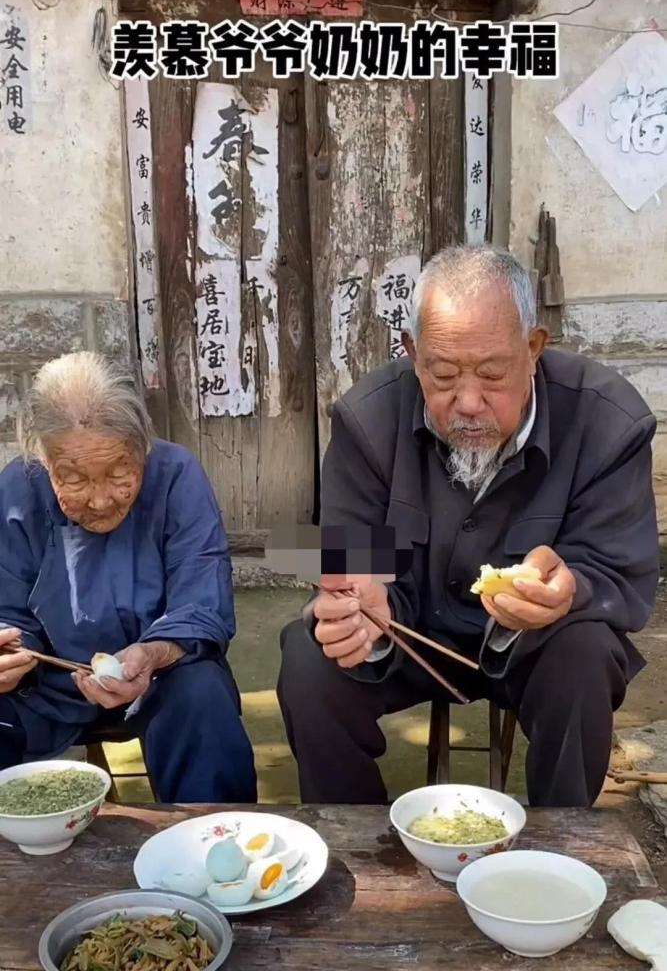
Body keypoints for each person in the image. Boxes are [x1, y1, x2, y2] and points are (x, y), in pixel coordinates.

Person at [278, 245, 660, 808]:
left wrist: (570, 587)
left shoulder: (608, 421)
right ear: (412, 354)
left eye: (492, 373)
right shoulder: (366, 420)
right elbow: (344, 561)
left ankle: (565, 852)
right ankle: (354, 849)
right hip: (408, 634)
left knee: (587, 652)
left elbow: (619, 567)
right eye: (443, 374)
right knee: (309, 656)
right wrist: (356, 604)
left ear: (533, 349)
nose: (469, 402)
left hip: (535, 643)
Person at [0, 351, 257, 803]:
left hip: (161, 674)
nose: (100, 501)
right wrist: (9, 658)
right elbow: (7, 610)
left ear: (142, 448)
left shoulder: (177, 476)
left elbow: (202, 604)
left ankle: (210, 851)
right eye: (74, 479)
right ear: (43, 459)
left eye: (120, 473)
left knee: (203, 696)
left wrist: (154, 653)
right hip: (44, 685)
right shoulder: (18, 489)